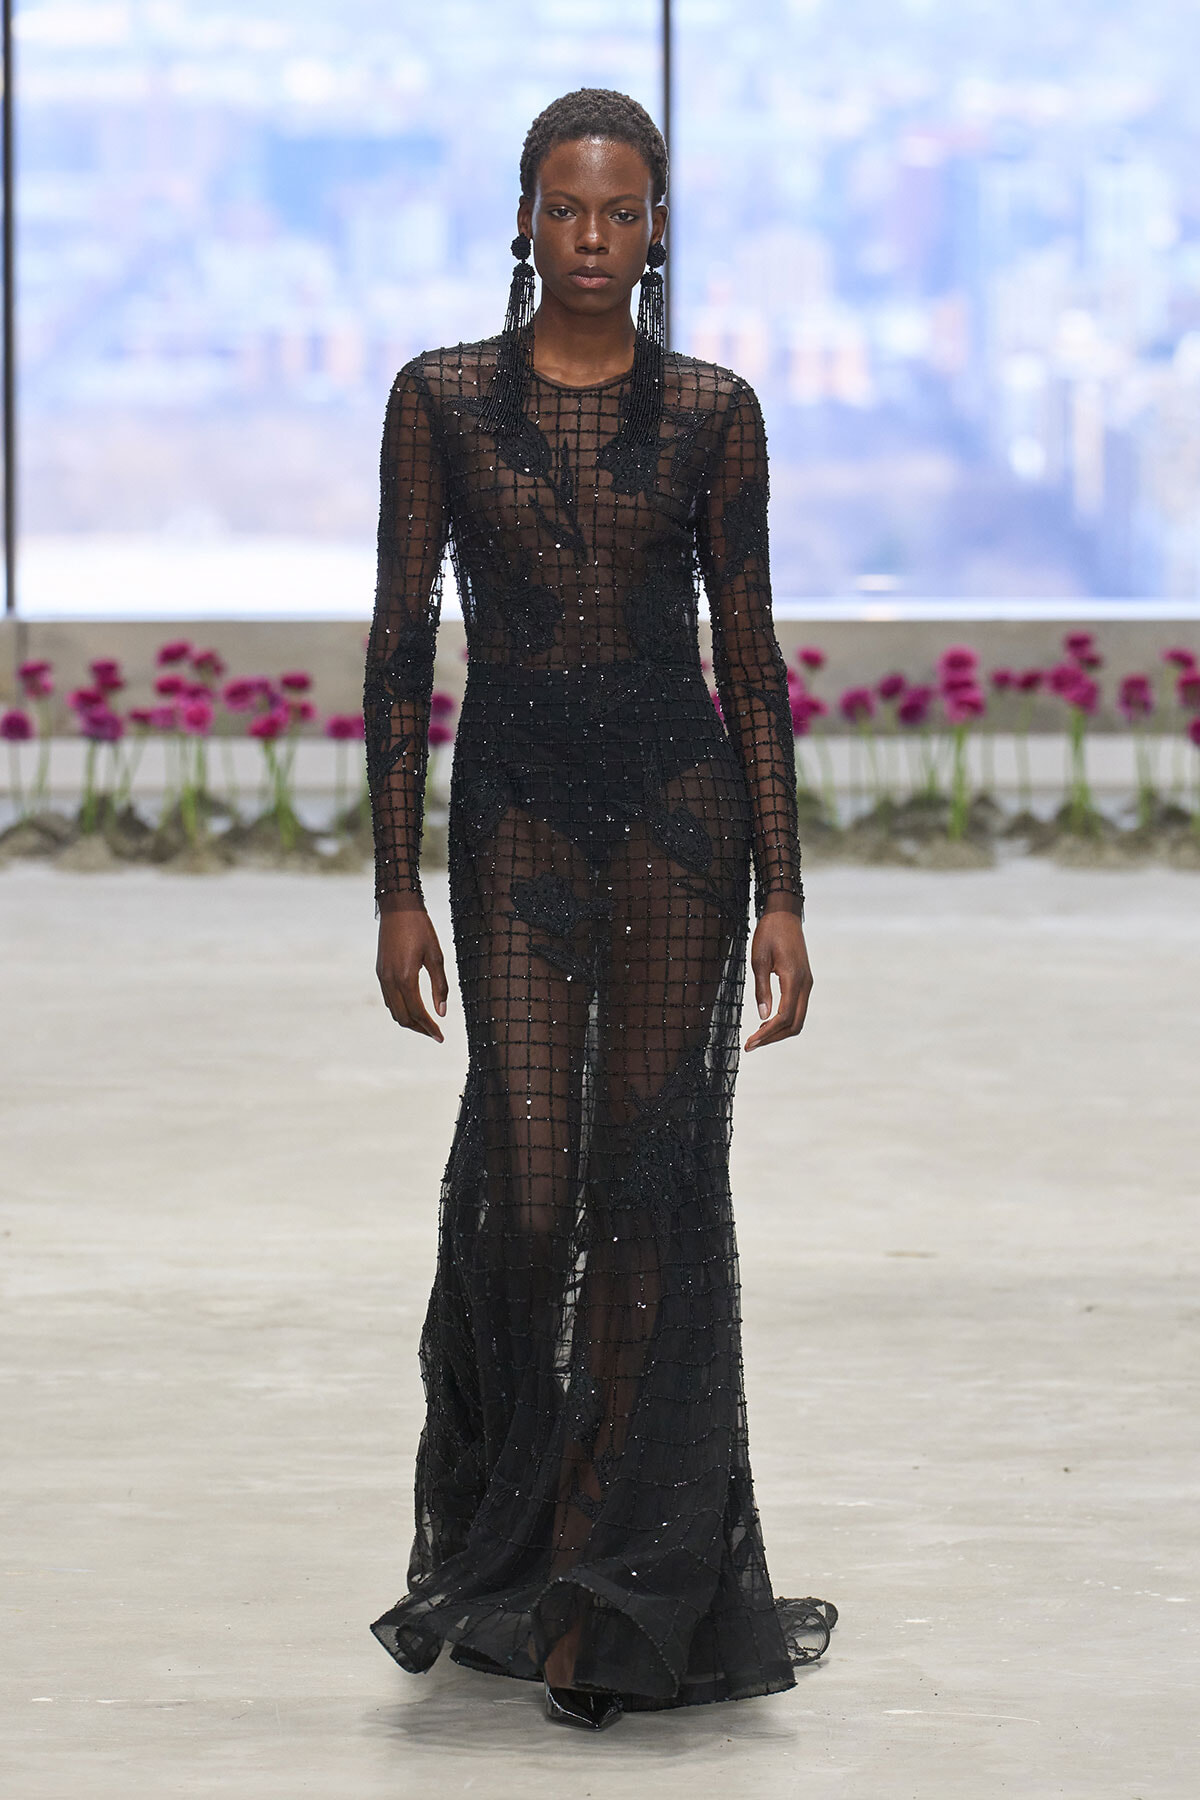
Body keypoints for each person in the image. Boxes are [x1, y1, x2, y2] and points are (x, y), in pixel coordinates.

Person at [364, 87, 836, 1732]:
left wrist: (787, 894)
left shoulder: (714, 410)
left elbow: (754, 664)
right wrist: (394, 889)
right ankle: (529, 1525)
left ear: (653, 233)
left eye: (618, 213)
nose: (589, 238)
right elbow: (398, 649)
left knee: (649, 1191)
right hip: (512, 829)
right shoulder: (439, 400)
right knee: (526, 1184)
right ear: (520, 220)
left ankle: (616, 1583)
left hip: (680, 832)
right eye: (562, 209)